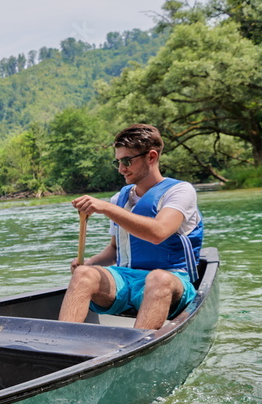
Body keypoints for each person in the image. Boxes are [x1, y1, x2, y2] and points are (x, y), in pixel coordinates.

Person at [58, 123, 203, 330]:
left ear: (151, 157)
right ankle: (61, 347)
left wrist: (107, 208)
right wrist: (89, 263)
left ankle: (135, 352)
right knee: (83, 274)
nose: (121, 169)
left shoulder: (180, 191)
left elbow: (158, 233)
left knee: (158, 278)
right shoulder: (121, 198)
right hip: (127, 278)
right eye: (117, 161)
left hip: (171, 281)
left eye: (127, 161)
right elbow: (116, 250)